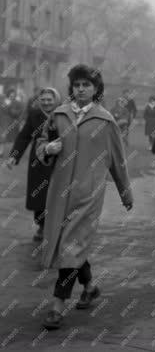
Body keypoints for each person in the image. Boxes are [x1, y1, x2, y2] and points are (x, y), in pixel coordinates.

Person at [36, 65, 133, 330]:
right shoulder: (58, 115)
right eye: (77, 85)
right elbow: (41, 144)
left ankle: (58, 305)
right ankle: (89, 287)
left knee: (70, 245)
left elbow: (118, 160)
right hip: (59, 193)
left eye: (86, 85)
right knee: (70, 245)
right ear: (72, 88)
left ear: (96, 89)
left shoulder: (106, 121)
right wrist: (47, 148)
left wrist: (125, 192)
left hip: (88, 195)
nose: (81, 89)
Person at [5, 87, 61, 242]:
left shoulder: (63, 114)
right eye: (43, 100)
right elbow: (24, 136)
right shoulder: (34, 115)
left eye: (49, 100)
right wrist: (14, 156)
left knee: (58, 193)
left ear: (55, 100)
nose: (46, 103)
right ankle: (42, 226)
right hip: (38, 159)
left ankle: (58, 226)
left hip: (59, 159)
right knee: (39, 194)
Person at [0, 88, 24, 156]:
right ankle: (1, 152)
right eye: (11, 94)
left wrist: (12, 110)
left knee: (12, 138)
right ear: (8, 94)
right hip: (2, 121)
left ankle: (14, 152)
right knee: (2, 137)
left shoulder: (17, 102)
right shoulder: (2, 101)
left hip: (11, 122)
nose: (12, 96)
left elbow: (20, 112)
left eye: (13, 95)